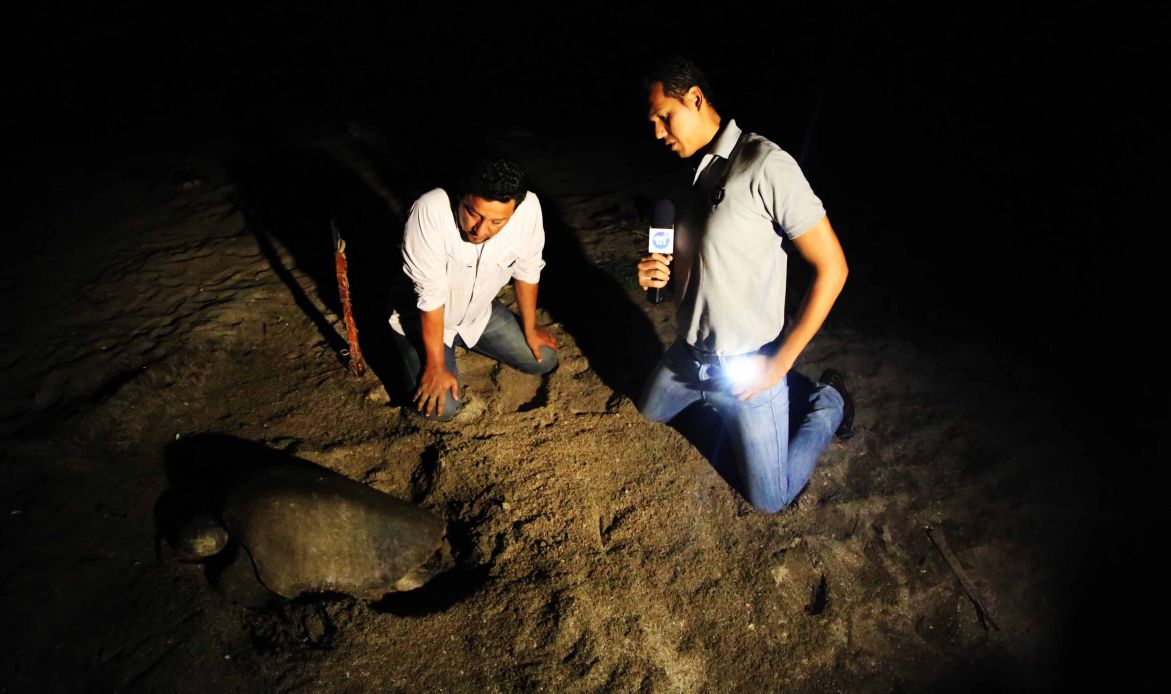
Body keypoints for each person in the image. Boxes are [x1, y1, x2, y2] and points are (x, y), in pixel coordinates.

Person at [635, 57, 855, 513]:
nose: (657, 133)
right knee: (648, 412)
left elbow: (833, 267)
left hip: (749, 363)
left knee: (770, 498)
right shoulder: (691, 173)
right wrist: (662, 276)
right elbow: (708, 265)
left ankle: (830, 400)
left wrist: (779, 363)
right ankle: (723, 394)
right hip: (689, 355)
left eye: (664, 117)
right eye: (652, 122)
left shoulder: (765, 163)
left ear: (695, 98)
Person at [389, 157, 558, 421]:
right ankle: (400, 348)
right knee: (442, 409)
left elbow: (528, 271)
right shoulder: (429, 210)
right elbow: (430, 297)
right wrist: (436, 366)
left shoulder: (528, 209)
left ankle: (467, 340)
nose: (480, 230)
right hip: (422, 319)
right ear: (461, 196)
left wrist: (530, 328)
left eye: (496, 222)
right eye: (473, 213)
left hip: (479, 314)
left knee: (544, 358)